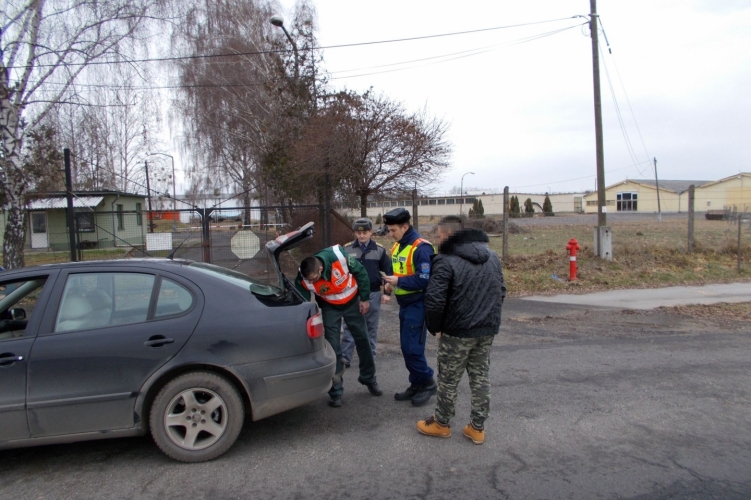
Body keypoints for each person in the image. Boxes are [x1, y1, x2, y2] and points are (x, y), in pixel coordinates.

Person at [415, 215, 506, 445]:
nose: (437, 240)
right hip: (486, 330)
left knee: (448, 379)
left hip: (456, 332)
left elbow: (434, 301)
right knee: (481, 377)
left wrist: (436, 328)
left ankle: (441, 423)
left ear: (448, 234)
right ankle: (477, 427)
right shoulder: (492, 256)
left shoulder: (445, 260)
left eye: (439, 235)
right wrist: (489, 319)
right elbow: (501, 291)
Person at [295, 245, 383, 407]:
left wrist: (364, 298)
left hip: (352, 303)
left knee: (363, 339)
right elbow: (302, 300)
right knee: (333, 346)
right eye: (310, 280)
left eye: (314, 278)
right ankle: (336, 391)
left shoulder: (338, 256)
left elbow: (361, 273)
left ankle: (369, 378)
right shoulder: (303, 277)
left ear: (321, 269)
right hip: (330, 307)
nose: (312, 282)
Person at [381, 208, 437, 407]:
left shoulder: (421, 248)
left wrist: (398, 281)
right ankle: (416, 383)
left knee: (412, 349)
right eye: (389, 230)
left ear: (405, 227)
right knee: (406, 348)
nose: (390, 234)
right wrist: (388, 287)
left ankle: (428, 383)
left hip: (418, 304)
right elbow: (394, 271)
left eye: (393, 230)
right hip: (404, 304)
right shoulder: (398, 246)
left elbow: (425, 279)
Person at [340, 218, 393, 369]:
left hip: (373, 293)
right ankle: (345, 358)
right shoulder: (347, 250)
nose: (362, 235)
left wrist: (387, 293)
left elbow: (389, 273)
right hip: (352, 294)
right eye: (358, 233)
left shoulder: (379, 250)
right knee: (349, 326)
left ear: (371, 232)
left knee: (371, 327)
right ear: (355, 233)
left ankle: (370, 358)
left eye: (365, 232)